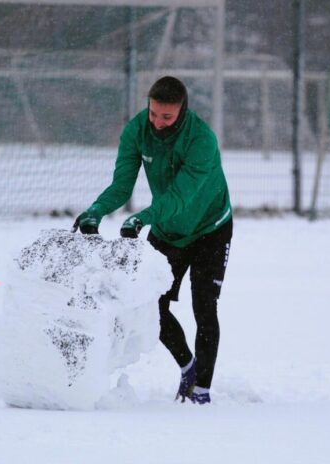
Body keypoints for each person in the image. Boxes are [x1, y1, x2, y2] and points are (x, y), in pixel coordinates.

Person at [72, 76, 232, 405]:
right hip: (168, 229)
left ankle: (201, 391)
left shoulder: (202, 140)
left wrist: (143, 218)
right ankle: (188, 366)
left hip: (210, 229)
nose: (157, 123)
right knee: (150, 305)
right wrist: (96, 211)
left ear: (183, 112)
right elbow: (121, 185)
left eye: (167, 117)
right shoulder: (136, 131)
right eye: (153, 114)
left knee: (204, 306)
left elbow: (179, 197)